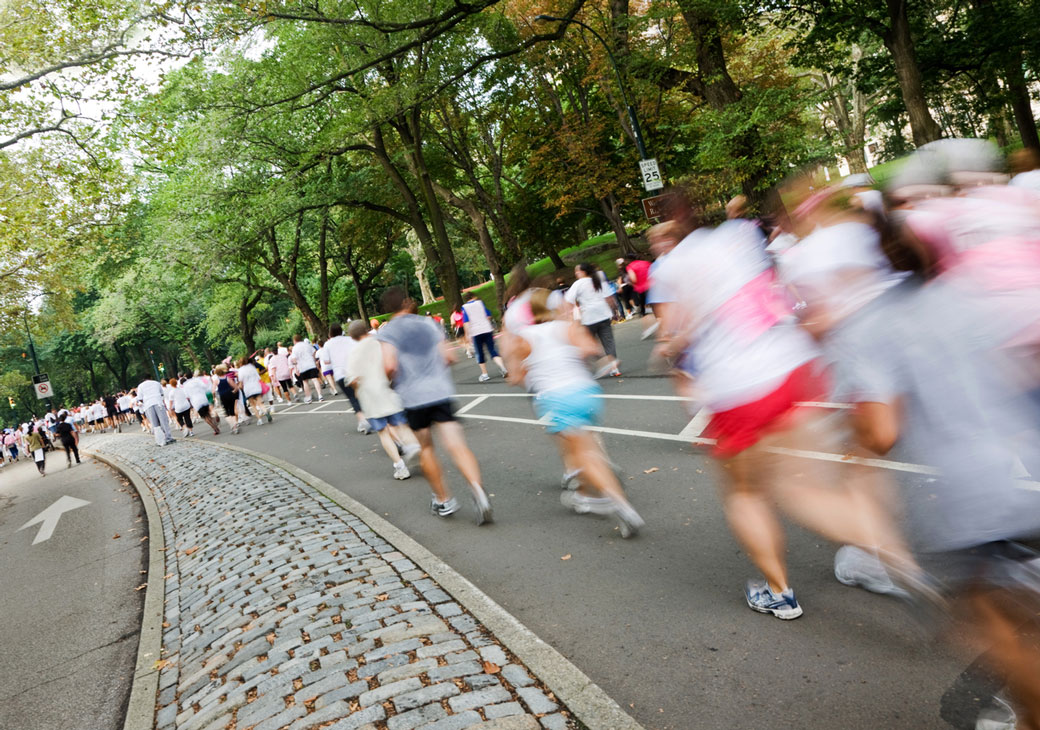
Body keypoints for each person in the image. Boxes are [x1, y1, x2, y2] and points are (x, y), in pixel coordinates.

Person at [510, 288, 644, 536]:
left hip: (557, 399)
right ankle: (585, 496)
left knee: (583, 454)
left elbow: (517, 376)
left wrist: (530, 370)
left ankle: (618, 505)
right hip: (585, 392)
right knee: (583, 450)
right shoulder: (566, 327)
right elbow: (589, 349)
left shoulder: (523, 337)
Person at [376, 287, 493, 524]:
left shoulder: (388, 333)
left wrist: (391, 382)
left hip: (414, 397)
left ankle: (443, 499)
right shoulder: (429, 324)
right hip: (440, 392)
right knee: (457, 446)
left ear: (387, 310)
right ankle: (479, 493)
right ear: (405, 302)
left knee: (427, 448)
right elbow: (449, 357)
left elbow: (389, 366)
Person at [346, 320, 421, 480]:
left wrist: (358, 389)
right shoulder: (380, 342)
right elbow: (393, 364)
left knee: (383, 432)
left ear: (352, 337)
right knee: (400, 424)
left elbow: (352, 379)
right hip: (387, 390)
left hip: (370, 397)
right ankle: (412, 446)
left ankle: (400, 466)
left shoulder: (354, 353)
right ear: (366, 330)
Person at [565, 262, 621, 377]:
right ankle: (614, 367)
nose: (576, 273)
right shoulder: (598, 280)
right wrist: (615, 311)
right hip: (604, 314)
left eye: (577, 271)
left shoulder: (578, 284)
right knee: (608, 341)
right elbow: (609, 298)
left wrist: (569, 316)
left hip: (589, 317)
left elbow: (568, 300)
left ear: (583, 272)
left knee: (590, 343)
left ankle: (604, 362)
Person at [324, 323, 369, 433]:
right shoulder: (350, 340)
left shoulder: (328, 344)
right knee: (362, 395)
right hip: (355, 371)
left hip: (340, 374)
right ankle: (370, 418)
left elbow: (326, 361)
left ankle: (363, 422)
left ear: (330, 333)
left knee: (352, 398)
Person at [461, 292, 507, 382]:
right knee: (492, 350)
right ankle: (503, 368)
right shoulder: (480, 303)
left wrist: (467, 334)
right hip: (487, 329)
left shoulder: (464, 307)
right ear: (473, 296)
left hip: (475, 332)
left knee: (479, 353)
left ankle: (485, 374)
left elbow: (466, 322)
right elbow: (488, 315)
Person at [138, 375, 175, 446]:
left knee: (154, 423)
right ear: (151, 378)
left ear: (143, 379)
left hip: (148, 405)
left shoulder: (140, 386)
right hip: (158, 402)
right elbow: (161, 394)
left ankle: (159, 440)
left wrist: (145, 401)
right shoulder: (156, 383)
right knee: (163, 421)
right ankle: (168, 437)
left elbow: (140, 398)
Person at [238, 355, 272, 425]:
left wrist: (240, 387)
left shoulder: (240, 370)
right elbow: (258, 377)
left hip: (248, 388)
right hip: (256, 386)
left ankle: (259, 420)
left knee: (253, 405)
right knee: (260, 403)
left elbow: (241, 382)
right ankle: (265, 411)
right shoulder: (252, 367)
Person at [290, 334, 322, 403]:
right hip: (311, 364)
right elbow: (314, 352)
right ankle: (320, 396)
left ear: (295, 340)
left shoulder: (295, 348)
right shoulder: (306, 344)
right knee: (315, 380)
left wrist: (296, 369)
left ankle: (309, 397)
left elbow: (294, 359)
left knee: (305, 382)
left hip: (302, 367)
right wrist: (313, 360)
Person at [213, 364, 242, 434]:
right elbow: (236, 387)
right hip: (230, 394)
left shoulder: (216, 381)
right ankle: (235, 426)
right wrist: (234, 391)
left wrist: (214, 397)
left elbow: (213, 391)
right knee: (232, 410)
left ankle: (233, 426)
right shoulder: (228, 378)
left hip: (223, 396)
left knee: (226, 412)